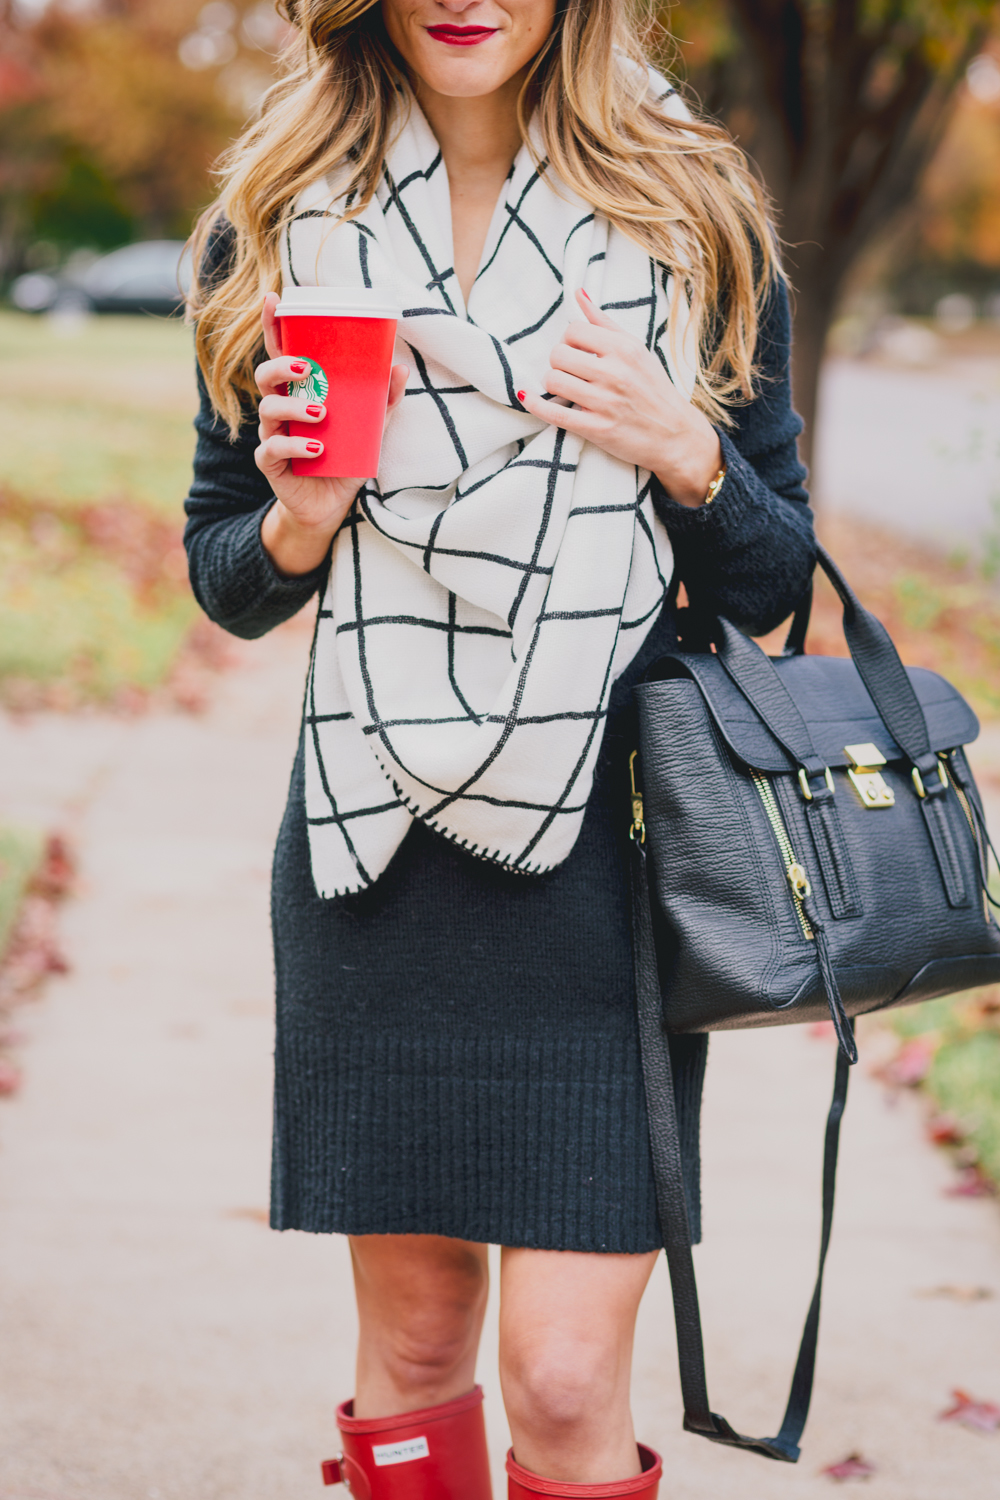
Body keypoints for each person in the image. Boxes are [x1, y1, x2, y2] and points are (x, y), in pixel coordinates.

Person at [184, 1, 815, 1494]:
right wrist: (300, 518)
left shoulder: (690, 214)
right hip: (374, 840)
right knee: (414, 1348)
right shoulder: (275, 222)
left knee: (564, 1366)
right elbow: (227, 572)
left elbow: (773, 587)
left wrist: (688, 450)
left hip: (608, 852)